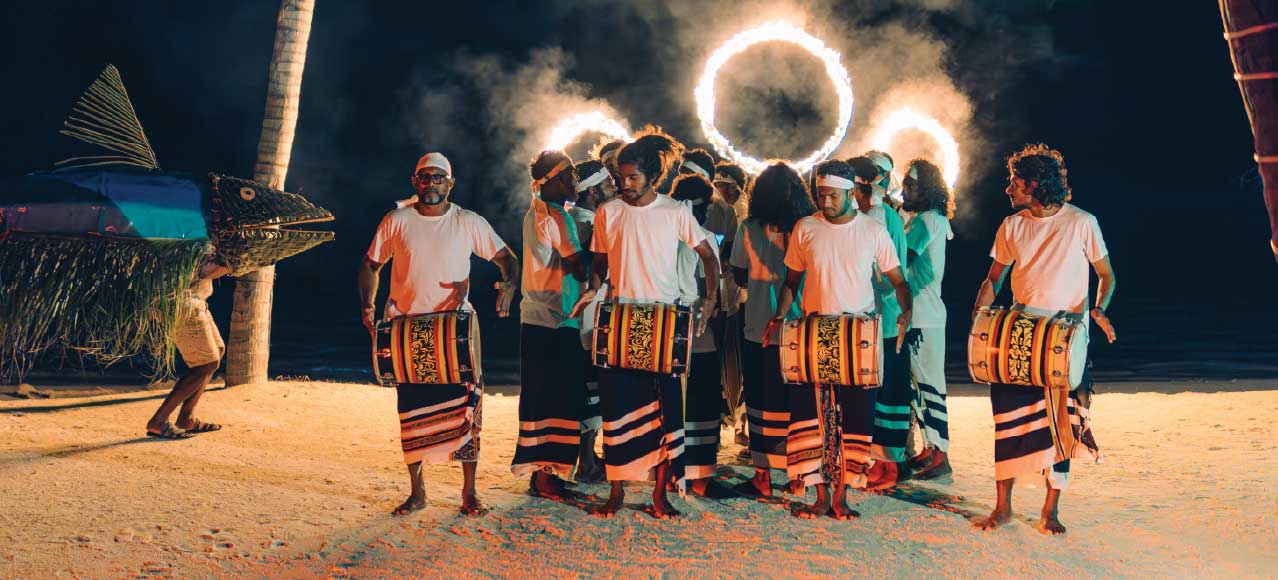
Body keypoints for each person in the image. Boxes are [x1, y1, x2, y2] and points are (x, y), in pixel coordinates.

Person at [570, 127, 721, 519]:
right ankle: (616, 492)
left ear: (652, 177)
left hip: (664, 322)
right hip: (620, 319)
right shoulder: (609, 212)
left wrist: (710, 298)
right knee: (617, 410)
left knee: (664, 412)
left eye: (633, 177)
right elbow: (600, 262)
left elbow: (708, 256)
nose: (624, 183)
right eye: (620, 177)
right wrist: (592, 288)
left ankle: (658, 494)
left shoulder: (675, 212)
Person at [358, 152, 520, 516]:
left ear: (451, 183)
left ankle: (469, 493)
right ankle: (417, 493)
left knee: (466, 413)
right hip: (407, 328)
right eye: (423, 177)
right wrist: (368, 306)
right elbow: (370, 265)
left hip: (454, 330)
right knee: (412, 414)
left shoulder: (468, 222)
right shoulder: (396, 220)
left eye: (437, 177)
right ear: (414, 182)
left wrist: (509, 284)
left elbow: (506, 257)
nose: (430, 183)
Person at [972, 143, 1114, 535]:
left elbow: (1106, 276)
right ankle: (1003, 508)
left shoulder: (1082, 222)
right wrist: (979, 318)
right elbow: (994, 278)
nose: (1008, 189)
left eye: (1014, 182)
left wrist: (1097, 310)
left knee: (1060, 424)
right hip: (1019, 336)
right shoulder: (1012, 225)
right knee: (1010, 421)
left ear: (1034, 184)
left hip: (1066, 339)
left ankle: (1049, 511)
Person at [763, 159, 912, 519]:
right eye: (820, 195)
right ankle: (819, 495)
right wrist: (779, 316)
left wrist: (907, 311)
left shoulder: (872, 231)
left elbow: (899, 280)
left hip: (856, 335)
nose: (825, 202)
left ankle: (842, 495)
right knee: (810, 418)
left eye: (832, 196)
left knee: (855, 418)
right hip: (814, 332)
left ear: (849, 192)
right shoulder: (805, 228)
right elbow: (790, 282)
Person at [728, 163, 815, 497]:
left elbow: (738, 274)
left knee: (762, 401)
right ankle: (799, 477)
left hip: (759, 327)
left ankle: (763, 476)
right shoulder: (808, 227)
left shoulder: (749, 227)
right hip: (799, 328)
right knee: (799, 403)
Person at [511, 150, 590, 499]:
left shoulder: (536, 212)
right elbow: (579, 267)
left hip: (536, 318)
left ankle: (543, 473)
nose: (575, 180)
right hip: (556, 321)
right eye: (571, 174)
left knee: (541, 398)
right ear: (555, 179)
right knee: (557, 400)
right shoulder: (557, 216)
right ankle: (546, 476)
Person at [849, 156, 913, 490]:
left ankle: (890, 466)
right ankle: (881, 461)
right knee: (879, 389)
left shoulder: (879, 217)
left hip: (886, 318)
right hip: (876, 318)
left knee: (890, 391)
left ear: (861, 188)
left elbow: (891, 275)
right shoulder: (872, 216)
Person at [670, 173, 733, 498]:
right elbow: (715, 292)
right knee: (701, 404)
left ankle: (672, 471)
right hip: (700, 330)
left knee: (673, 404)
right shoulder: (705, 238)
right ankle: (700, 477)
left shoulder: (665, 234)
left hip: (669, 330)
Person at [898, 159, 955, 481]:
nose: (905, 188)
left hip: (922, 314)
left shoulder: (924, 222)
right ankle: (931, 449)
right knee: (921, 386)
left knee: (929, 386)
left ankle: (941, 454)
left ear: (927, 188)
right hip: (926, 313)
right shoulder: (932, 219)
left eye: (911, 184)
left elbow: (901, 261)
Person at [145, 255, 231, 440]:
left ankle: (186, 418)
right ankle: (158, 421)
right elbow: (205, 270)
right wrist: (234, 264)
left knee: (218, 350)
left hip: (194, 299)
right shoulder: (191, 235)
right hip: (181, 302)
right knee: (206, 363)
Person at [569, 158, 616, 482]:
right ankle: (586, 460)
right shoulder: (586, 223)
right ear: (593, 191)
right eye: (610, 183)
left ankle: (588, 457)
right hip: (588, 320)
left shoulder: (581, 218)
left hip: (589, 317)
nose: (615, 187)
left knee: (591, 391)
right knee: (590, 391)